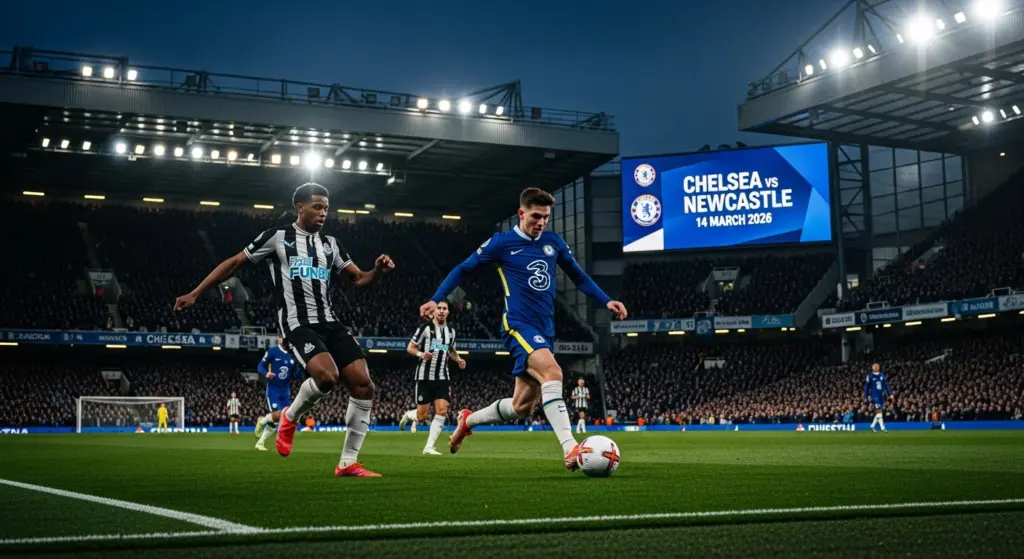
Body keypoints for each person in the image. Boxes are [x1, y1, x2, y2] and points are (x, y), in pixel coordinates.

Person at [175, 182, 395, 477]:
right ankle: (289, 418)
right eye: (317, 207)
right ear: (299, 207)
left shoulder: (330, 244)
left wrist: (377, 271)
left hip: (329, 322)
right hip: (296, 323)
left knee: (364, 384)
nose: (323, 213)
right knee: (327, 377)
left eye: (326, 208)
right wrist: (196, 292)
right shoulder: (277, 237)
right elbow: (235, 263)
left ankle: (347, 462)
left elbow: (358, 279)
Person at [419, 187, 627, 470]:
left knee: (522, 407)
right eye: (536, 216)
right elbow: (463, 269)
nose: (541, 222)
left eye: (546, 217)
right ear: (521, 213)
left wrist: (606, 300)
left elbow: (579, 277)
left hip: (545, 329)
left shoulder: (554, 242)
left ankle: (468, 420)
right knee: (553, 372)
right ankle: (571, 448)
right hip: (517, 324)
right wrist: (435, 298)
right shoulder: (501, 243)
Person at [397, 301, 466, 455]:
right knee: (423, 416)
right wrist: (422, 354)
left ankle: (429, 447)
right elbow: (410, 347)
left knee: (442, 410)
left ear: (448, 312)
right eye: (438, 308)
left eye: (444, 309)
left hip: (443, 376)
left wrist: (458, 359)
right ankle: (409, 415)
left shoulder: (451, 332)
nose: (441, 311)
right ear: (434, 312)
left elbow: (451, 350)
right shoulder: (425, 329)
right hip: (424, 377)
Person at [254, 334, 304, 451]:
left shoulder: (292, 356)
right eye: (282, 337)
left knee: (280, 419)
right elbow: (260, 366)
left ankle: (260, 442)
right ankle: (262, 421)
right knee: (278, 415)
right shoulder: (272, 351)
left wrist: (301, 368)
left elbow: (296, 375)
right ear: (279, 338)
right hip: (273, 390)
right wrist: (266, 373)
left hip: (286, 391)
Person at [864, 362, 892, 432]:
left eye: (877, 366)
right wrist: (866, 396)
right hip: (874, 396)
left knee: (880, 412)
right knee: (879, 411)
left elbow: (886, 384)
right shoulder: (870, 376)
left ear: (879, 367)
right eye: (874, 366)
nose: (876, 367)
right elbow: (866, 387)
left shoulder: (882, 375)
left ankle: (872, 426)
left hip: (881, 395)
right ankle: (883, 428)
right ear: (872, 368)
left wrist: (890, 393)